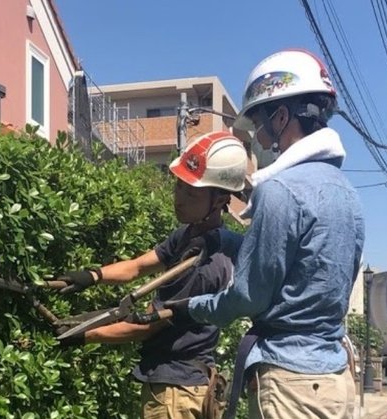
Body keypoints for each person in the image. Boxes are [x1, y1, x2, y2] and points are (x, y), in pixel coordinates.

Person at [166, 49, 365, 419]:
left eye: (258, 122)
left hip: (290, 380)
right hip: (335, 376)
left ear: (282, 116)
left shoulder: (280, 191)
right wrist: (229, 241)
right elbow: (303, 267)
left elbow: (248, 297)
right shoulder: (345, 192)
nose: (257, 136)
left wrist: (189, 308)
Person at [56, 131, 249, 419]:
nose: (179, 198)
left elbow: (148, 324)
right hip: (176, 384)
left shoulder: (205, 262)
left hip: (176, 393)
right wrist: (91, 275)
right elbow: (137, 267)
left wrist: (83, 335)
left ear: (220, 200)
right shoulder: (188, 235)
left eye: (191, 192)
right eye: (178, 186)